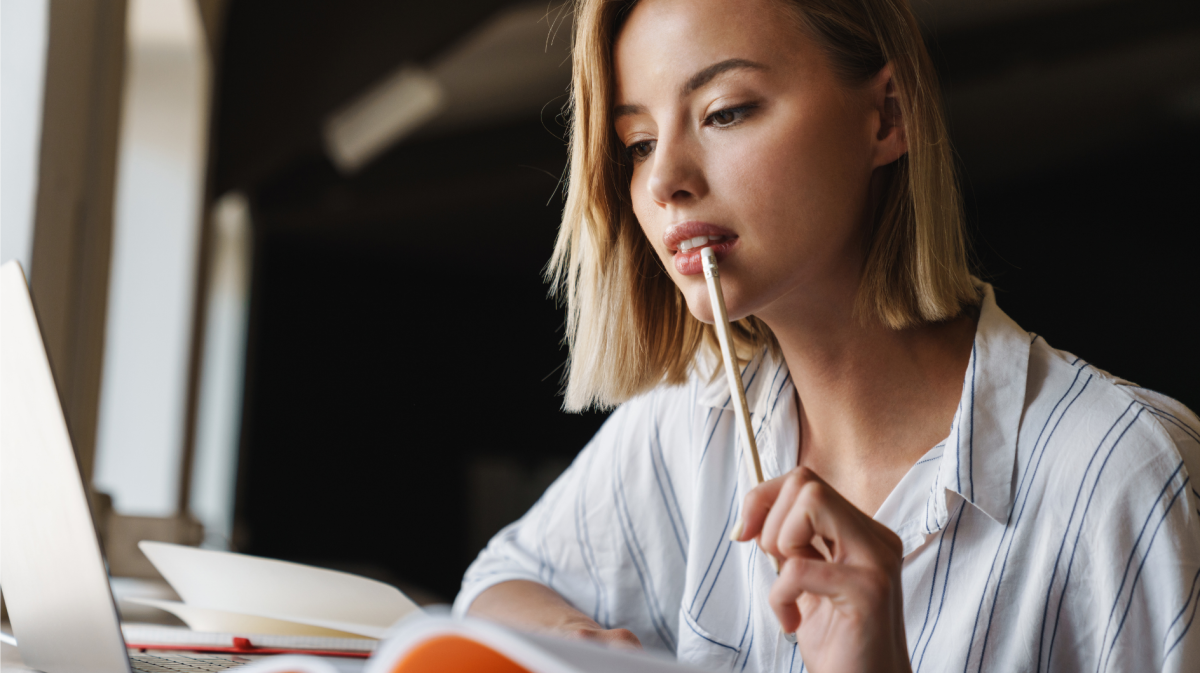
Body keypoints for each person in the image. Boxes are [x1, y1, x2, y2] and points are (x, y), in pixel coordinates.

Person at [450, 0, 1200, 671]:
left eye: (726, 110)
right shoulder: (686, 426)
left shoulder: (1126, 475)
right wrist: (578, 647)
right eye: (638, 141)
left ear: (887, 116)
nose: (662, 180)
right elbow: (499, 583)